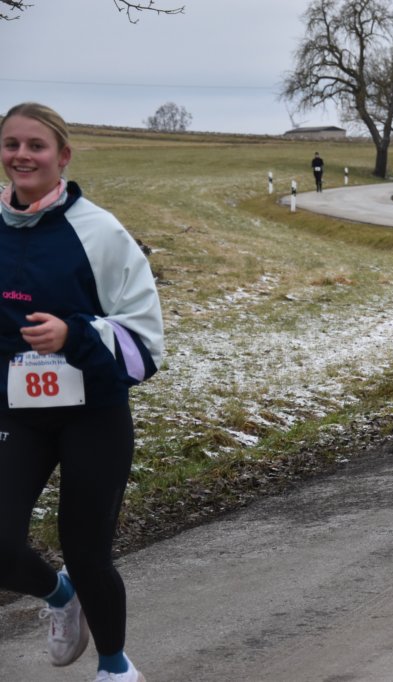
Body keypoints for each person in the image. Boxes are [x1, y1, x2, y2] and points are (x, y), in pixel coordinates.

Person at [0, 102, 164, 682]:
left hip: (92, 413)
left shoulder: (100, 232)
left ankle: (116, 668)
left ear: (63, 156)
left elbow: (146, 342)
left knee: (87, 550)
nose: (22, 155)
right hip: (16, 414)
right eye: (12, 144)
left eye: (36, 145)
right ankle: (58, 595)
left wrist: (74, 335)